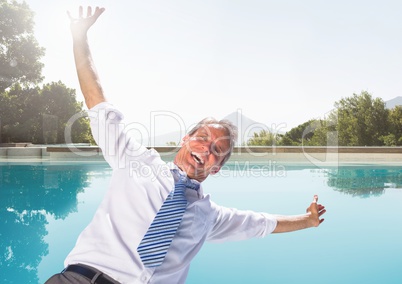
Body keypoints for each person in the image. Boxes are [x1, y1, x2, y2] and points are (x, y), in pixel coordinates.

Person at [46, 6, 326, 284]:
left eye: (217, 150)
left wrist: (309, 220)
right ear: (185, 139)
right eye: (203, 138)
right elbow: (98, 102)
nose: (206, 149)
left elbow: (261, 224)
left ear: (217, 169)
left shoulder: (210, 216)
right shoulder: (135, 161)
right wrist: (79, 37)